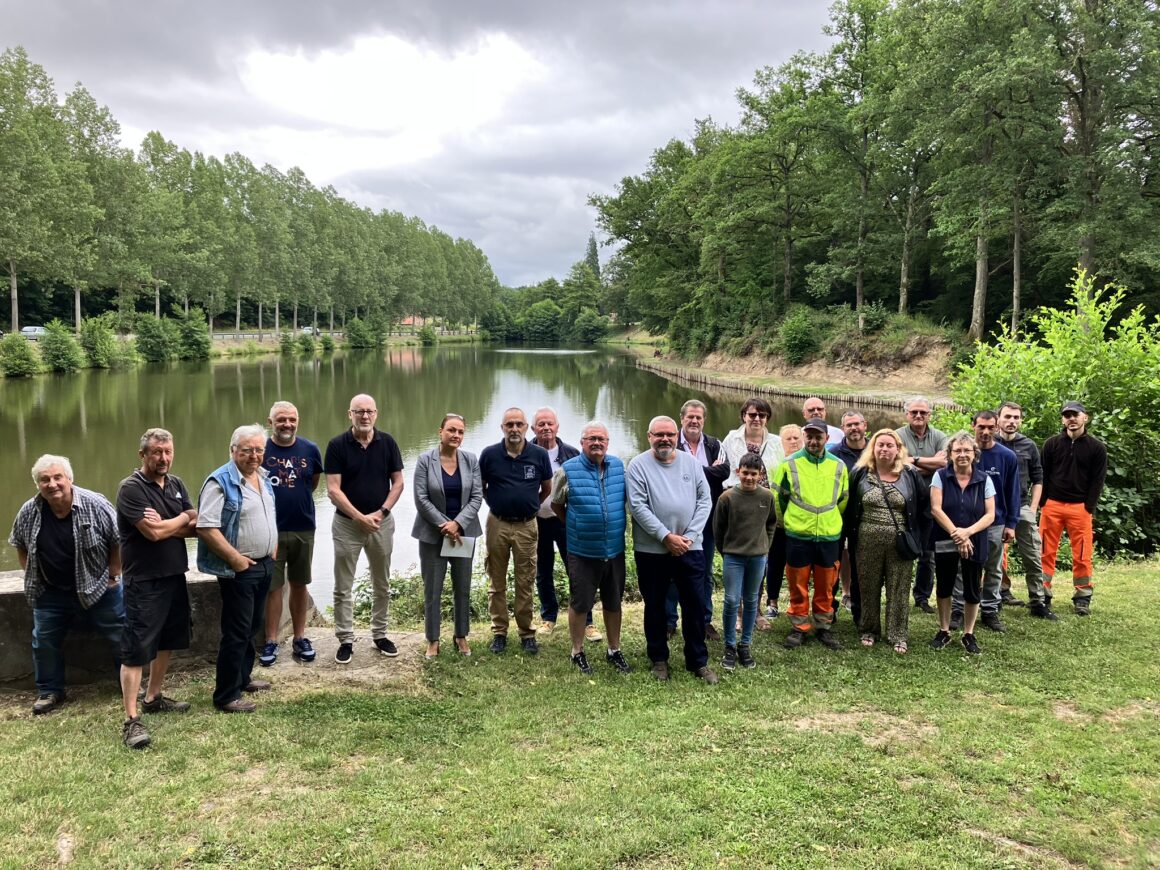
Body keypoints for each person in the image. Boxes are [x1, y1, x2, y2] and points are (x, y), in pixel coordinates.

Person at [9, 456, 124, 718]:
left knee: (121, 634)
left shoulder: (95, 504)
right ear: (38, 484)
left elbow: (119, 538)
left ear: (69, 478)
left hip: (98, 587)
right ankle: (50, 691)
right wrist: (31, 574)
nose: (52, 484)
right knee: (44, 641)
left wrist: (114, 573)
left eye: (57, 477)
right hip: (51, 592)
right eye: (45, 480)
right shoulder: (29, 510)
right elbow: (19, 543)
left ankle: (128, 683)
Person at [115, 429, 198, 748]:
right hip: (143, 580)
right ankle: (132, 720)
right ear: (142, 455)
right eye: (156, 452)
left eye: (167, 452)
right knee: (136, 649)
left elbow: (193, 523)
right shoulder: (130, 489)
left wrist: (170, 522)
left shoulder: (176, 484)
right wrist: (176, 522)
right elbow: (152, 534)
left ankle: (154, 697)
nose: (163, 458)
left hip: (175, 574)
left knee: (167, 641)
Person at [628, 416, 717, 684]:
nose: (665, 439)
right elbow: (638, 506)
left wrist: (688, 538)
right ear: (649, 436)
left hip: (691, 548)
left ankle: (698, 661)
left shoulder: (691, 463)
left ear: (676, 436)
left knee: (694, 605)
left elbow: (705, 500)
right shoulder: (637, 465)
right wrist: (666, 537)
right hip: (652, 550)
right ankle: (659, 660)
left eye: (669, 434)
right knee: (654, 605)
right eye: (659, 434)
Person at [197, 424, 279, 712]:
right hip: (240, 570)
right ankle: (226, 695)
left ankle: (243, 678)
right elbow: (206, 527)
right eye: (247, 450)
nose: (253, 455)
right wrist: (234, 558)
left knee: (252, 627)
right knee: (236, 631)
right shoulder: (219, 481)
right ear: (233, 451)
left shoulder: (263, 477)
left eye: (258, 450)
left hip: (264, 564)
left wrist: (273, 544)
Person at [324, 394, 405, 664]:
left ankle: (380, 634)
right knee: (343, 585)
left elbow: (398, 483)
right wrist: (359, 517)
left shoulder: (388, 442)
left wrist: (381, 512)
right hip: (347, 525)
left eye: (369, 411)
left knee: (381, 583)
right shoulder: (337, 445)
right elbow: (333, 490)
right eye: (359, 412)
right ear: (350, 414)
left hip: (381, 523)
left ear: (376, 414)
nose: (365, 416)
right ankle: (345, 639)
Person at [551, 421, 632, 675]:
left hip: (614, 550)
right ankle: (577, 651)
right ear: (582, 442)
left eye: (602, 439)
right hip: (582, 551)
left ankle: (614, 649)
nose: (597, 443)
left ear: (608, 443)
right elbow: (556, 504)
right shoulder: (568, 470)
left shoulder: (619, 467)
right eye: (591, 439)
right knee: (580, 603)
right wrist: (576, 525)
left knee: (613, 602)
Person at [845, 430, 930, 654]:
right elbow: (851, 506)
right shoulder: (860, 473)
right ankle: (869, 630)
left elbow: (924, 508)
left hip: (900, 543)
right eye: (880, 444)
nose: (884, 449)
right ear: (872, 448)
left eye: (889, 445)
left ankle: (898, 634)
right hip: (866, 540)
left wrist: (919, 538)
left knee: (899, 588)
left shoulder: (910, 474)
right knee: (868, 586)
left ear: (898, 449)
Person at [479, 407, 553, 655]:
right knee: (496, 580)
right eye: (509, 424)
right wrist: (498, 505)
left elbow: (546, 489)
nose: (514, 429)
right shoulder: (489, 455)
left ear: (525, 428)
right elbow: (482, 488)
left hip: (527, 525)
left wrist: (527, 505)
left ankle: (526, 632)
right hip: (497, 523)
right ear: (502, 428)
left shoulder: (539, 455)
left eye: (518, 424)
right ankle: (499, 631)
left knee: (525, 580)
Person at [773, 418, 849, 650]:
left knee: (827, 584)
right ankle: (799, 626)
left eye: (819, 437)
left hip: (828, 534)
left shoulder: (838, 465)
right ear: (804, 437)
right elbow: (779, 499)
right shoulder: (788, 464)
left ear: (826, 438)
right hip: (798, 533)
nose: (814, 441)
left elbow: (843, 499)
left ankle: (823, 626)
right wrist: (790, 523)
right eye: (810, 437)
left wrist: (829, 521)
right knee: (798, 583)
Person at [412, 413, 483, 659]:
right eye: (451, 430)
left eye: (461, 432)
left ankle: (460, 635)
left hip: (464, 535)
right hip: (432, 535)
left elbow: (477, 497)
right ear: (440, 431)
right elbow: (421, 498)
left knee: (462, 587)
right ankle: (433, 639)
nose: (456, 435)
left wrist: (458, 524)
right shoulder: (424, 460)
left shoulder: (471, 461)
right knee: (432, 589)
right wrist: (445, 525)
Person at [260, 401, 324, 667]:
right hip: (269, 529)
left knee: (300, 583)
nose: (287, 424)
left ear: (298, 420)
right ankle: (271, 641)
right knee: (273, 587)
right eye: (281, 419)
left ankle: (300, 638)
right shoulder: (260, 449)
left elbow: (312, 483)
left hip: (302, 527)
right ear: (270, 421)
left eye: (291, 419)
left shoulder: (310, 449)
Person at [950, 411, 1019, 633]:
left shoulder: (1007, 456)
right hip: (964, 522)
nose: (986, 431)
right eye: (981, 427)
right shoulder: (963, 453)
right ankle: (958, 609)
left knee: (993, 568)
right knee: (961, 567)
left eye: (991, 427)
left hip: (994, 522)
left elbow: (1012, 492)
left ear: (997, 426)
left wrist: (1012, 523)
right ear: (973, 426)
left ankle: (990, 610)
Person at [529, 407, 595, 640]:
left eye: (550, 424)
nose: (546, 428)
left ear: (557, 427)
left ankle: (587, 620)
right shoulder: (526, 453)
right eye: (541, 424)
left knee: (576, 569)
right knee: (542, 571)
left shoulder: (572, 453)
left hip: (566, 520)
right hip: (536, 521)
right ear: (533, 428)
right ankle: (549, 617)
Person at [668, 399, 730, 641]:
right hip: (678, 520)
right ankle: (669, 621)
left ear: (704, 420)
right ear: (682, 418)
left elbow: (724, 472)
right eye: (690, 417)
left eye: (699, 417)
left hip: (708, 520)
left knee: (703, 572)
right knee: (672, 573)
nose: (694, 421)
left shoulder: (715, 444)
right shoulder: (671, 441)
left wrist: (691, 470)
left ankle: (704, 621)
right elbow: (671, 473)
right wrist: (706, 470)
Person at [929, 432, 996, 655]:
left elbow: (990, 515)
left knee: (972, 587)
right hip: (945, 536)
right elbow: (936, 509)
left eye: (967, 450)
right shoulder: (940, 476)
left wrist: (967, 533)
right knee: (945, 584)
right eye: (957, 450)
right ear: (949, 454)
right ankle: (944, 630)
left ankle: (968, 633)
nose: (962, 455)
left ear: (975, 454)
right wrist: (956, 534)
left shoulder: (985, 479)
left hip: (975, 539)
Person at [1039, 401, 1107, 616]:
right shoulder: (1051, 444)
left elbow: (1098, 480)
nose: (1071, 419)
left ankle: (1083, 596)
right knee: (1044, 551)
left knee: (1082, 554)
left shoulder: (1097, 448)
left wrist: (1089, 507)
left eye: (1075, 414)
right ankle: (1043, 593)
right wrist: (1043, 502)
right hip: (1052, 506)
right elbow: (1042, 475)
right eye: (1067, 415)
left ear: (1085, 417)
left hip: (1080, 508)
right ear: (1063, 419)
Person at [713, 453, 777, 671]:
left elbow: (771, 523)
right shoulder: (727, 498)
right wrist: (726, 551)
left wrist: (765, 546)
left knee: (751, 601)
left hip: (758, 557)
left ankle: (745, 644)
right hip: (733, 556)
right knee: (731, 600)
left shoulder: (767, 497)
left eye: (754, 474)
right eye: (745, 473)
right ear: (738, 471)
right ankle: (730, 646)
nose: (749, 477)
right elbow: (718, 529)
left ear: (760, 475)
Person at [996, 402, 1052, 618]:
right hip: (996, 509)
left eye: (1016, 417)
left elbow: (1038, 478)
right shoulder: (989, 443)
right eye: (1008, 417)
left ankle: (1038, 601)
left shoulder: (1028, 445)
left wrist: (1034, 507)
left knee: (1033, 555)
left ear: (1021, 421)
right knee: (995, 557)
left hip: (1022, 506)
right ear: (998, 419)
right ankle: (996, 597)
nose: (1012, 421)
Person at [895, 397, 948, 614]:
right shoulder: (897, 435)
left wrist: (913, 461)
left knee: (928, 553)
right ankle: (897, 594)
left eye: (923, 413)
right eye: (914, 412)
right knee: (901, 549)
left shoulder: (940, 436)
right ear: (906, 413)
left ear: (929, 415)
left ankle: (922, 597)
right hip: (903, 501)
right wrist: (929, 463)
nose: (919, 416)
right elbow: (896, 464)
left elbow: (945, 463)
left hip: (931, 502)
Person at [831, 410, 869, 620]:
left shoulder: (876, 450)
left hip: (865, 518)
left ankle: (859, 611)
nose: (854, 428)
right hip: (838, 516)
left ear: (865, 425)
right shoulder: (834, 454)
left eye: (857, 424)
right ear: (842, 428)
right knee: (833, 564)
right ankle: (829, 609)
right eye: (849, 425)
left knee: (860, 565)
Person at [763, 424, 802, 620]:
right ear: (781, 442)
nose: (794, 442)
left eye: (797, 438)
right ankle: (772, 602)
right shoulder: (775, 463)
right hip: (777, 523)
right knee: (775, 562)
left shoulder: (805, 462)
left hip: (800, 523)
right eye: (789, 438)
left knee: (797, 566)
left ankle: (798, 603)